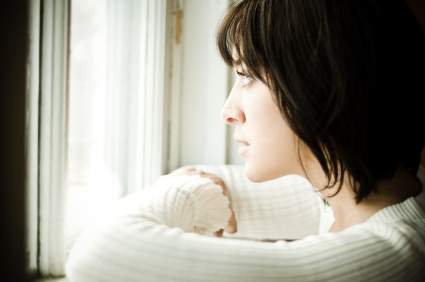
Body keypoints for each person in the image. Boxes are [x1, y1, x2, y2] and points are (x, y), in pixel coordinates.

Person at [67, 0, 425, 281]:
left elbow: (98, 256)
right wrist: (193, 191)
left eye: (247, 76)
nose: (228, 110)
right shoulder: (345, 196)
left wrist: (185, 195)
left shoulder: (393, 257)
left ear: (320, 84)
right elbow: (202, 180)